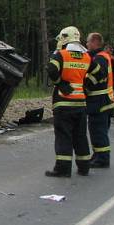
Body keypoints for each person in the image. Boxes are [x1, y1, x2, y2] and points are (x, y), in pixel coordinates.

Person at [45, 26, 92, 178]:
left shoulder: (61, 55)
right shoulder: (86, 56)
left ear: (64, 38)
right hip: (81, 103)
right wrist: (85, 85)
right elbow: (99, 73)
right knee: (80, 136)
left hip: (63, 103)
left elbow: (51, 69)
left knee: (63, 136)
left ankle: (63, 169)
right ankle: (84, 167)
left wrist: (60, 82)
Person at [85, 33, 114, 168]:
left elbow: (97, 77)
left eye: (88, 42)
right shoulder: (101, 56)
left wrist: (84, 86)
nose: (87, 45)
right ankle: (97, 155)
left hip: (99, 101)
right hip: (102, 100)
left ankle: (102, 159)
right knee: (96, 130)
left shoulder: (100, 58)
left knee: (98, 131)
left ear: (95, 42)